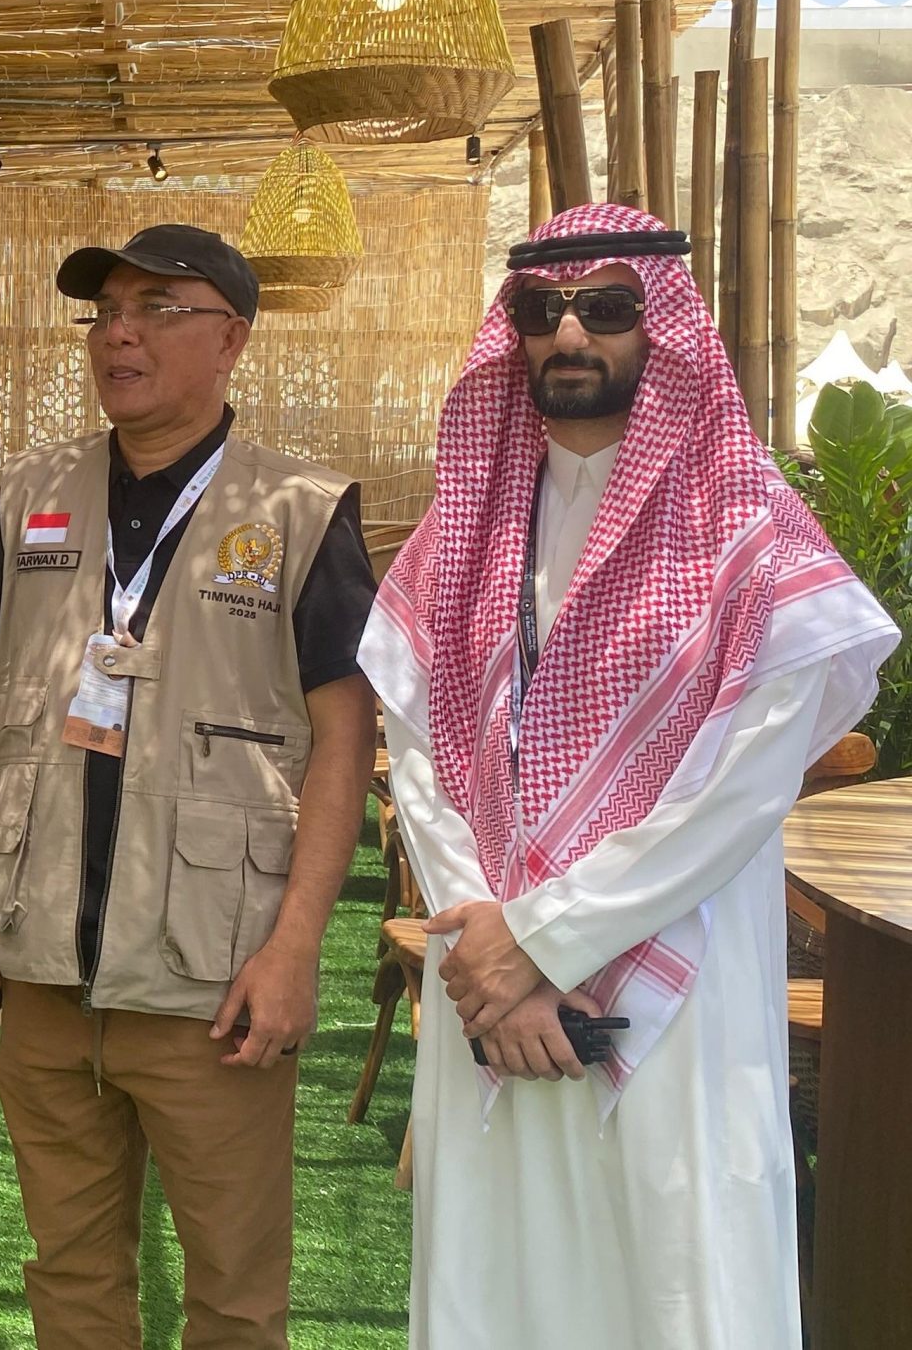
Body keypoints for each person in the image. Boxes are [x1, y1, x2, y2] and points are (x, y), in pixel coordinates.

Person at [362, 204, 897, 1350]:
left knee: (673, 1280)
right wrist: (488, 945)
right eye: (540, 309)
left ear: (661, 325)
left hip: (673, 993)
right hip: (485, 989)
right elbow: (415, 750)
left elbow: (739, 790)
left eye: (604, 307)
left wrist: (543, 940)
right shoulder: (459, 528)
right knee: (489, 1281)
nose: (568, 334)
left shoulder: (748, 531)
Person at [0, 225, 379, 1349]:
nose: (118, 335)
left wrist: (294, 949)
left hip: (208, 982)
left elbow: (344, 738)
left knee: (233, 1295)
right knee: (71, 1279)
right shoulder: (30, 492)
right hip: (42, 969)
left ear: (232, 339)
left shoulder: (300, 510)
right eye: (107, 312)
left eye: (157, 310)